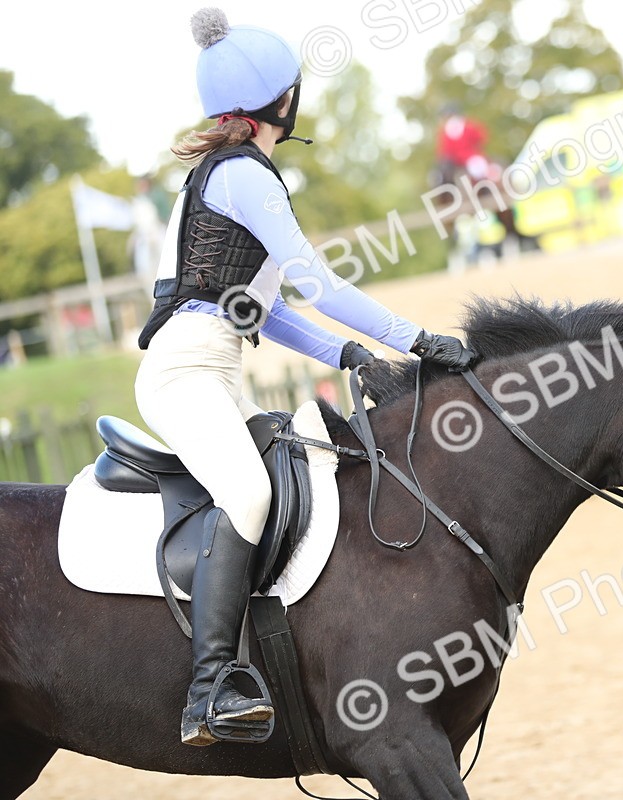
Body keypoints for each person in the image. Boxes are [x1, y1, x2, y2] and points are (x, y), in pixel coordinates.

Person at [136, 7, 475, 747]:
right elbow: (317, 282)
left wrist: (349, 356)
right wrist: (413, 338)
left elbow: (270, 309)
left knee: (309, 474)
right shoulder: (246, 176)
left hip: (218, 367)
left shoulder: (227, 174)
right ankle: (209, 690)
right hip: (185, 371)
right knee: (252, 491)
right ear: (282, 101)